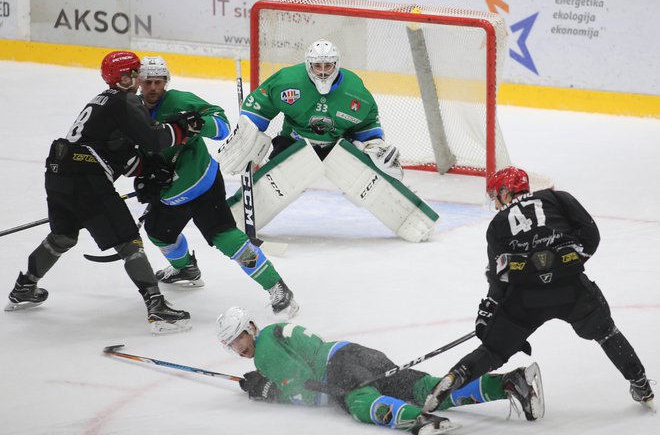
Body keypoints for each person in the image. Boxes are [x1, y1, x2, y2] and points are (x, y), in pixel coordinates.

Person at [423, 166, 655, 413]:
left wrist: (489, 313)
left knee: (492, 351)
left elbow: (499, 276)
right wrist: (571, 262)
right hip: (571, 290)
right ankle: (640, 383)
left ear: (506, 190)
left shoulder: (498, 224)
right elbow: (591, 235)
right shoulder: (557, 198)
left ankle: (456, 376)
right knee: (606, 333)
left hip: (525, 299)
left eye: (496, 195)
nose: (496, 203)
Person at [5, 51, 197, 334]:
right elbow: (154, 139)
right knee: (129, 242)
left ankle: (24, 287)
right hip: (86, 177)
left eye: (134, 73)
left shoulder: (101, 102)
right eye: (127, 75)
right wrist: (182, 129)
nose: (133, 79)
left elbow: (118, 151)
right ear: (115, 78)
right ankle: (157, 307)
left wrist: (146, 171)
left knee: (63, 236)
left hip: (59, 172)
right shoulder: (125, 100)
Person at [217, 39, 439, 243]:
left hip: (336, 147)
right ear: (308, 65)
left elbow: (366, 126)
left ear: (337, 64)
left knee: (366, 182)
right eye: (317, 66)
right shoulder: (287, 81)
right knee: (277, 184)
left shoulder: (355, 92)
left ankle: (413, 220)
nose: (322, 72)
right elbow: (259, 104)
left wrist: (374, 146)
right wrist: (250, 130)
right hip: (294, 143)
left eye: (328, 66)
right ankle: (231, 223)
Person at [136, 56, 298, 318]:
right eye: (147, 82)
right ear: (138, 82)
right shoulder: (133, 109)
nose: (153, 87)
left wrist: (200, 124)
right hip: (169, 194)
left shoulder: (179, 100)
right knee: (158, 233)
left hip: (203, 184)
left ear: (166, 82)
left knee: (227, 238)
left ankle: (276, 286)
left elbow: (222, 127)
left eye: (158, 81)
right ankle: (186, 268)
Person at [215, 306, 545, 435]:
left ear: (251, 327)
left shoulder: (265, 354)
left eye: (239, 338)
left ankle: (418, 420)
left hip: (337, 367)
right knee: (426, 388)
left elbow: (305, 388)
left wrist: (270, 391)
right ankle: (510, 383)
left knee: (360, 403)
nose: (239, 347)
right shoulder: (276, 333)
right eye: (232, 345)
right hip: (357, 352)